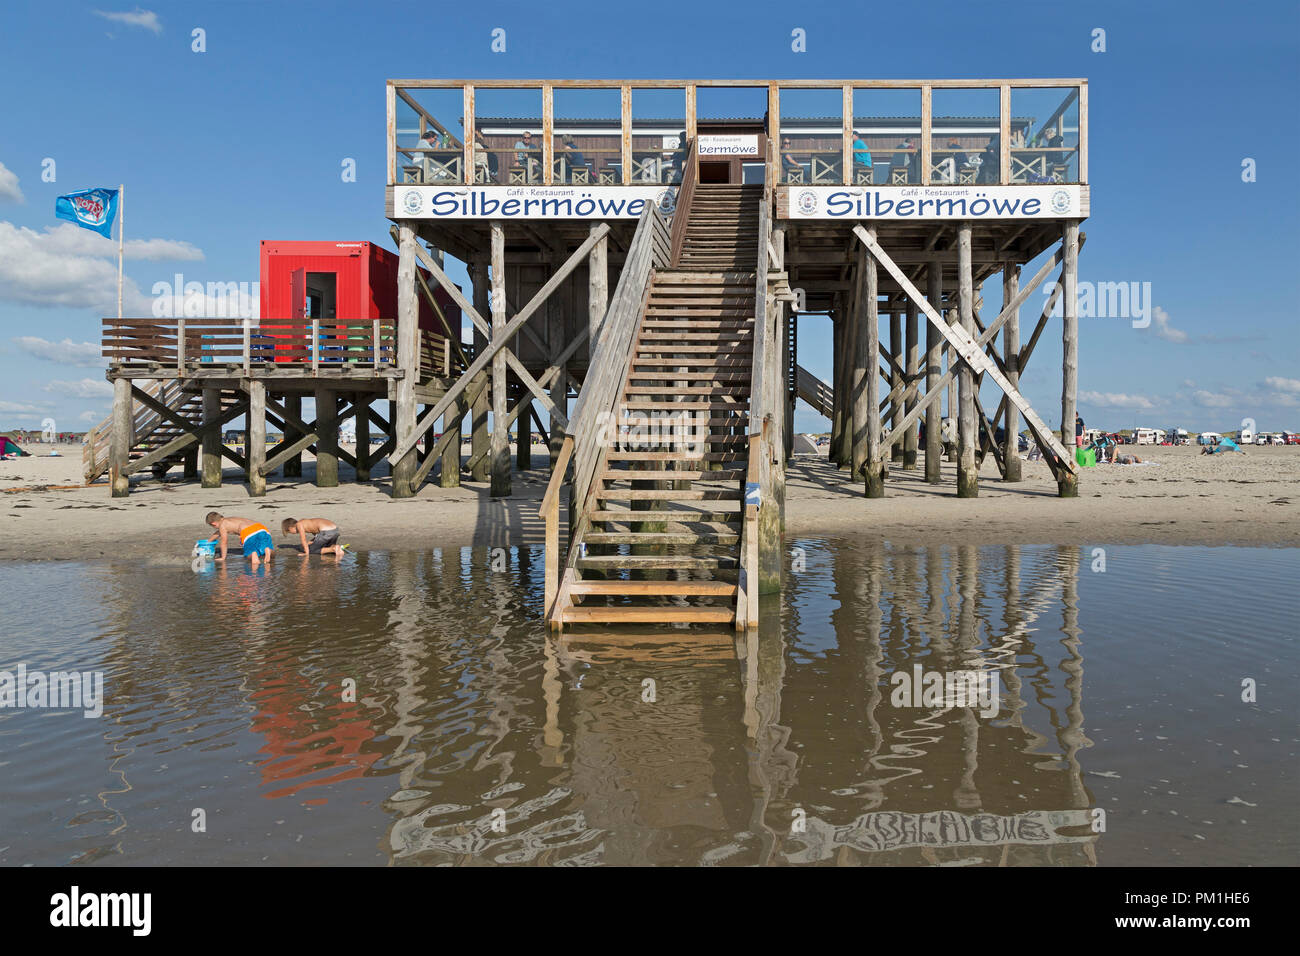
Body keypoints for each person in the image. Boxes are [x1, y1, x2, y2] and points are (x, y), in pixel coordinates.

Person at [206, 512, 274, 567]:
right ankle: (268, 551)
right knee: (267, 547)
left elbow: (224, 542)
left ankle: (253, 555)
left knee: (249, 553)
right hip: (261, 528)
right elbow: (218, 533)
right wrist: (209, 541)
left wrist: (223, 557)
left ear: (213, 524)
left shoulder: (222, 526)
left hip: (248, 532)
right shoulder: (230, 519)